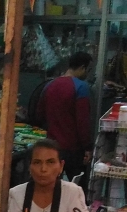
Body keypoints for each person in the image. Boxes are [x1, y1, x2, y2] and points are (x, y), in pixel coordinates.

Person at [35, 52, 94, 185]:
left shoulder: (49, 85)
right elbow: (82, 121)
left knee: (52, 187)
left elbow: (39, 115)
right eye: (88, 70)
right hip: (73, 150)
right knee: (77, 188)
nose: (87, 74)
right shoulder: (81, 87)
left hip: (52, 147)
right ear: (82, 68)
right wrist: (87, 147)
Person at [8, 139, 88, 212]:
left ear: (61, 166)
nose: (43, 169)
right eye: (37, 162)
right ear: (29, 166)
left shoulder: (72, 193)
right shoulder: (16, 194)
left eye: (50, 162)